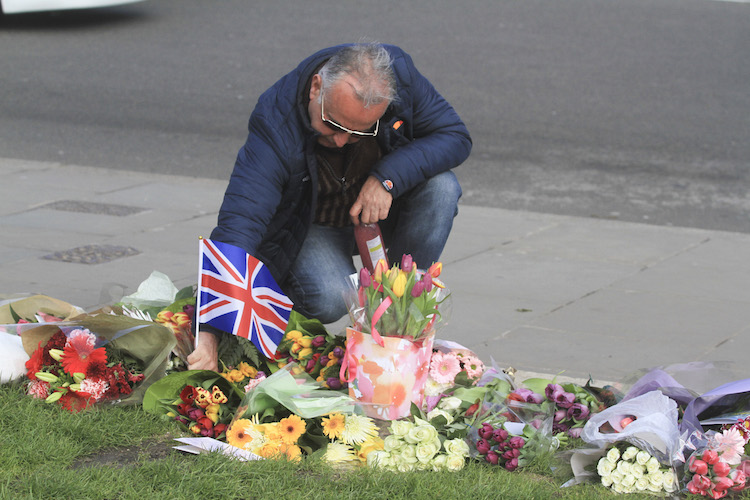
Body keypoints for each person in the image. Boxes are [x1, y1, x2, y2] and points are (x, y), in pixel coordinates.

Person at [187, 42, 471, 371]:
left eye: (358, 132)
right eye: (332, 124)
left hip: (377, 216)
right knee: (331, 296)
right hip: (311, 225)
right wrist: (208, 329)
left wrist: (387, 179)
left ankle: (403, 323)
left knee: (442, 187)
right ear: (316, 87)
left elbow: (454, 136)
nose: (339, 140)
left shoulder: (400, 78)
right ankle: (279, 308)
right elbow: (241, 220)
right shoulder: (276, 122)